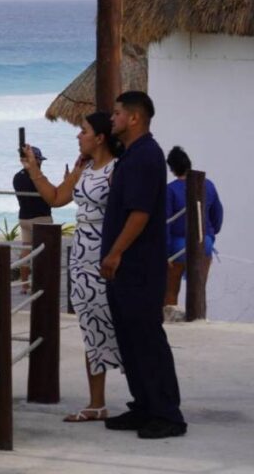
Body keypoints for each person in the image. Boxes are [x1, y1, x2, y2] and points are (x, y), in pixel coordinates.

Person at [22, 112, 122, 423]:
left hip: (106, 252)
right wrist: (34, 169)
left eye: (84, 131)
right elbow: (56, 198)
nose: (79, 136)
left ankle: (146, 395)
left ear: (101, 138)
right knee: (91, 326)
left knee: (117, 324)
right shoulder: (84, 167)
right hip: (81, 253)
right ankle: (97, 402)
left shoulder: (118, 169)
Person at [100, 91, 186, 439]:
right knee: (130, 339)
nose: (113, 119)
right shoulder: (131, 155)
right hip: (126, 270)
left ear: (134, 118)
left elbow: (140, 213)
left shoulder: (146, 156)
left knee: (147, 338)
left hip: (138, 267)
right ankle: (145, 405)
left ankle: (167, 413)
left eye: (118, 113)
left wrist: (115, 252)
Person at [164, 146, 224, 322]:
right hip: (203, 243)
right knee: (199, 289)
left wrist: (165, 253)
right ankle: (198, 319)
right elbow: (217, 215)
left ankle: (171, 327)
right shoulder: (209, 185)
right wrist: (211, 236)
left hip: (176, 247)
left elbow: (165, 223)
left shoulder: (170, 190)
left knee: (170, 292)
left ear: (172, 168)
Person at [13, 146, 53, 292]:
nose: (41, 164)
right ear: (34, 160)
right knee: (45, 251)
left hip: (24, 217)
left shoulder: (17, 177)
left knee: (26, 250)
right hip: (40, 217)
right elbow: (50, 196)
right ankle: (42, 283)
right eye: (39, 161)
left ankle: (24, 285)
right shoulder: (38, 178)